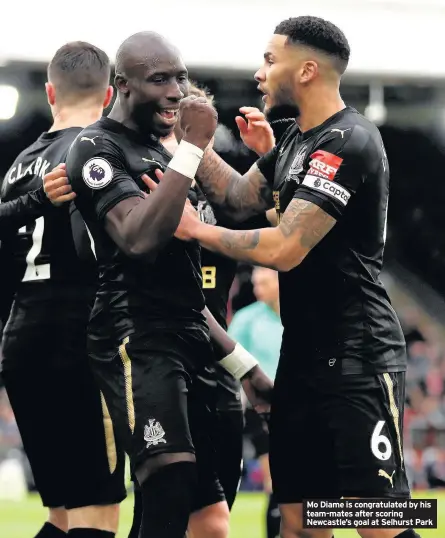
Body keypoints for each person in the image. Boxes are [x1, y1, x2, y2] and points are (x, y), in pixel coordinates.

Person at [168, 16, 419, 538]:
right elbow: (237, 200)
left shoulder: (348, 140)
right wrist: (189, 140)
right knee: (301, 524)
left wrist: (197, 231)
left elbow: (284, 249)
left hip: (359, 359)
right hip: (302, 363)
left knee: (379, 525)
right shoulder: (292, 143)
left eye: (269, 60)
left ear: (306, 70)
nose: (259, 73)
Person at [45, 31, 272, 538]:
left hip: (197, 340)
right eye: (161, 79)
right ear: (122, 86)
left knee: (209, 517)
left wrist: (244, 367)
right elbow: (139, 239)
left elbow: (237, 206)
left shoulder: (163, 148)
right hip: (135, 337)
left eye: (182, 77)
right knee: (168, 481)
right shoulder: (95, 147)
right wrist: (190, 149)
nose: (177, 90)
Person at [0, 42, 126, 538]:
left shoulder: (18, 166)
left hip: (23, 335)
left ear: (50, 92)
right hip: (83, 334)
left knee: (61, 511)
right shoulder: (99, 151)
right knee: (97, 510)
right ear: (111, 94)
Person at [229, 267, 282, 538]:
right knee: (276, 479)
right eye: (256, 283)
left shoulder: (300, 314)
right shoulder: (246, 319)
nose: (258, 289)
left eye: (264, 282)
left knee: (302, 482)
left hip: (300, 406)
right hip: (261, 410)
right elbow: (228, 363)